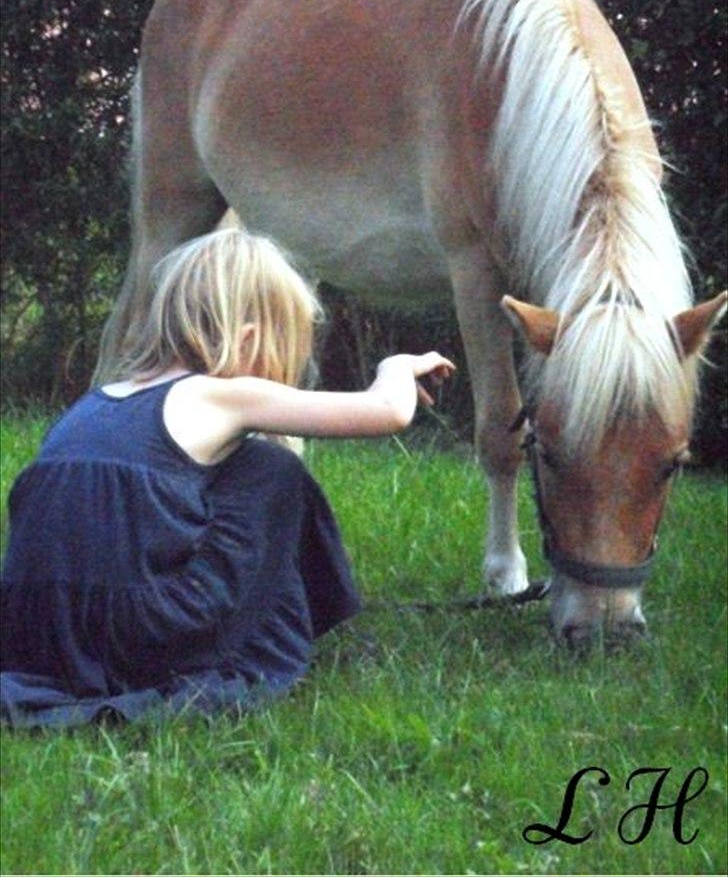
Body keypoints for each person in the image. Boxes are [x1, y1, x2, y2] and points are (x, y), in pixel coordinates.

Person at [0, 227, 454, 727]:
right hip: (133, 636)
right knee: (272, 471)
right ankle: (279, 631)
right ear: (249, 339)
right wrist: (397, 367)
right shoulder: (220, 394)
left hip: (33, 632)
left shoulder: (94, 403)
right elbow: (387, 413)